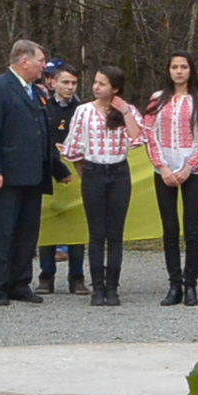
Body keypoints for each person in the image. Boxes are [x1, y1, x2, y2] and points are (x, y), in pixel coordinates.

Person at [0, 40, 55, 306]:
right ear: (24, 61)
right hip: (7, 176)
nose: (44, 65)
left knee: (27, 232)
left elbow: (42, 132)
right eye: (41, 60)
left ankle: (20, 283)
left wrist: (56, 167)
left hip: (33, 174)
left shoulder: (36, 92)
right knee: (3, 231)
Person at [62, 67, 145, 306]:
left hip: (119, 172)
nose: (96, 87)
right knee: (97, 234)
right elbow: (74, 149)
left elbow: (137, 138)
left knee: (115, 234)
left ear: (115, 89)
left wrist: (125, 111)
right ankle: (97, 288)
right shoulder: (83, 111)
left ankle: (113, 288)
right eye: (95, 82)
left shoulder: (127, 111)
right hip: (94, 171)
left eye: (102, 83)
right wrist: (85, 173)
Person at [145, 53, 198, 308]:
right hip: (164, 171)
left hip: (191, 172)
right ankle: (174, 284)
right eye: (174, 67)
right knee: (170, 229)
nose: (179, 71)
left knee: (192, 229)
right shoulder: (157, 99)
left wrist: (189, 167)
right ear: (168, 70)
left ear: (191, 71)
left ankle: (191, 284)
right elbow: (149, 134)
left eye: (183, 67)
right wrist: (161, 167)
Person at [38, 63, 86, 295]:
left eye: (73, 83)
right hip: (49, 171)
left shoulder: (83, 109)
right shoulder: (43, 107)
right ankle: (46, 276)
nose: (69, 87)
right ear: (53, 83)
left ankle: (77, 277)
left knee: (77, 224)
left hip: (76, 173)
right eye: (65, 82)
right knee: (48, 222)